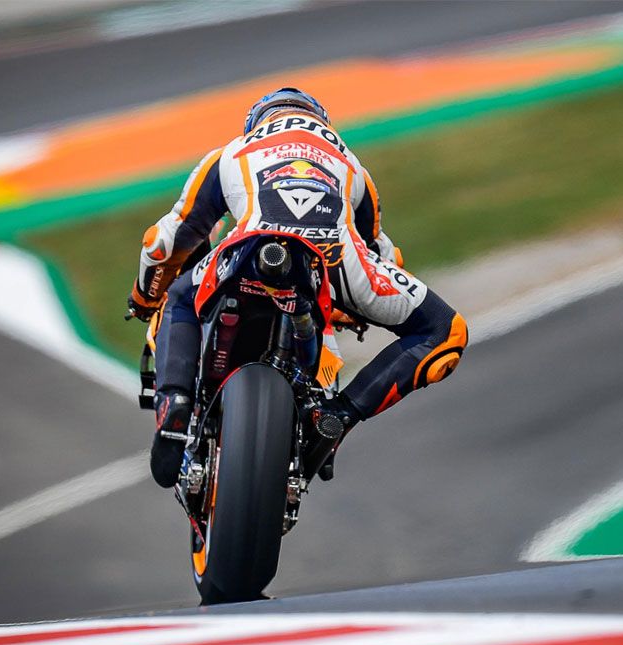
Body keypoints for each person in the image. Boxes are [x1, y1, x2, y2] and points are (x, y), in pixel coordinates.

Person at [127, 87, 467, 488]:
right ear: (322, 122)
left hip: (249, 248)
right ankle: (339, 416)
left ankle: (174, 405)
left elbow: (163, 243)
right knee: (445, 331)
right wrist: (350, 310)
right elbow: (383, 257)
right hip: (333, 260)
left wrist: (145, 297)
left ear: (258, 121)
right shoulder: (351, 164)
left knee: (179, 299)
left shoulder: (232, 152)